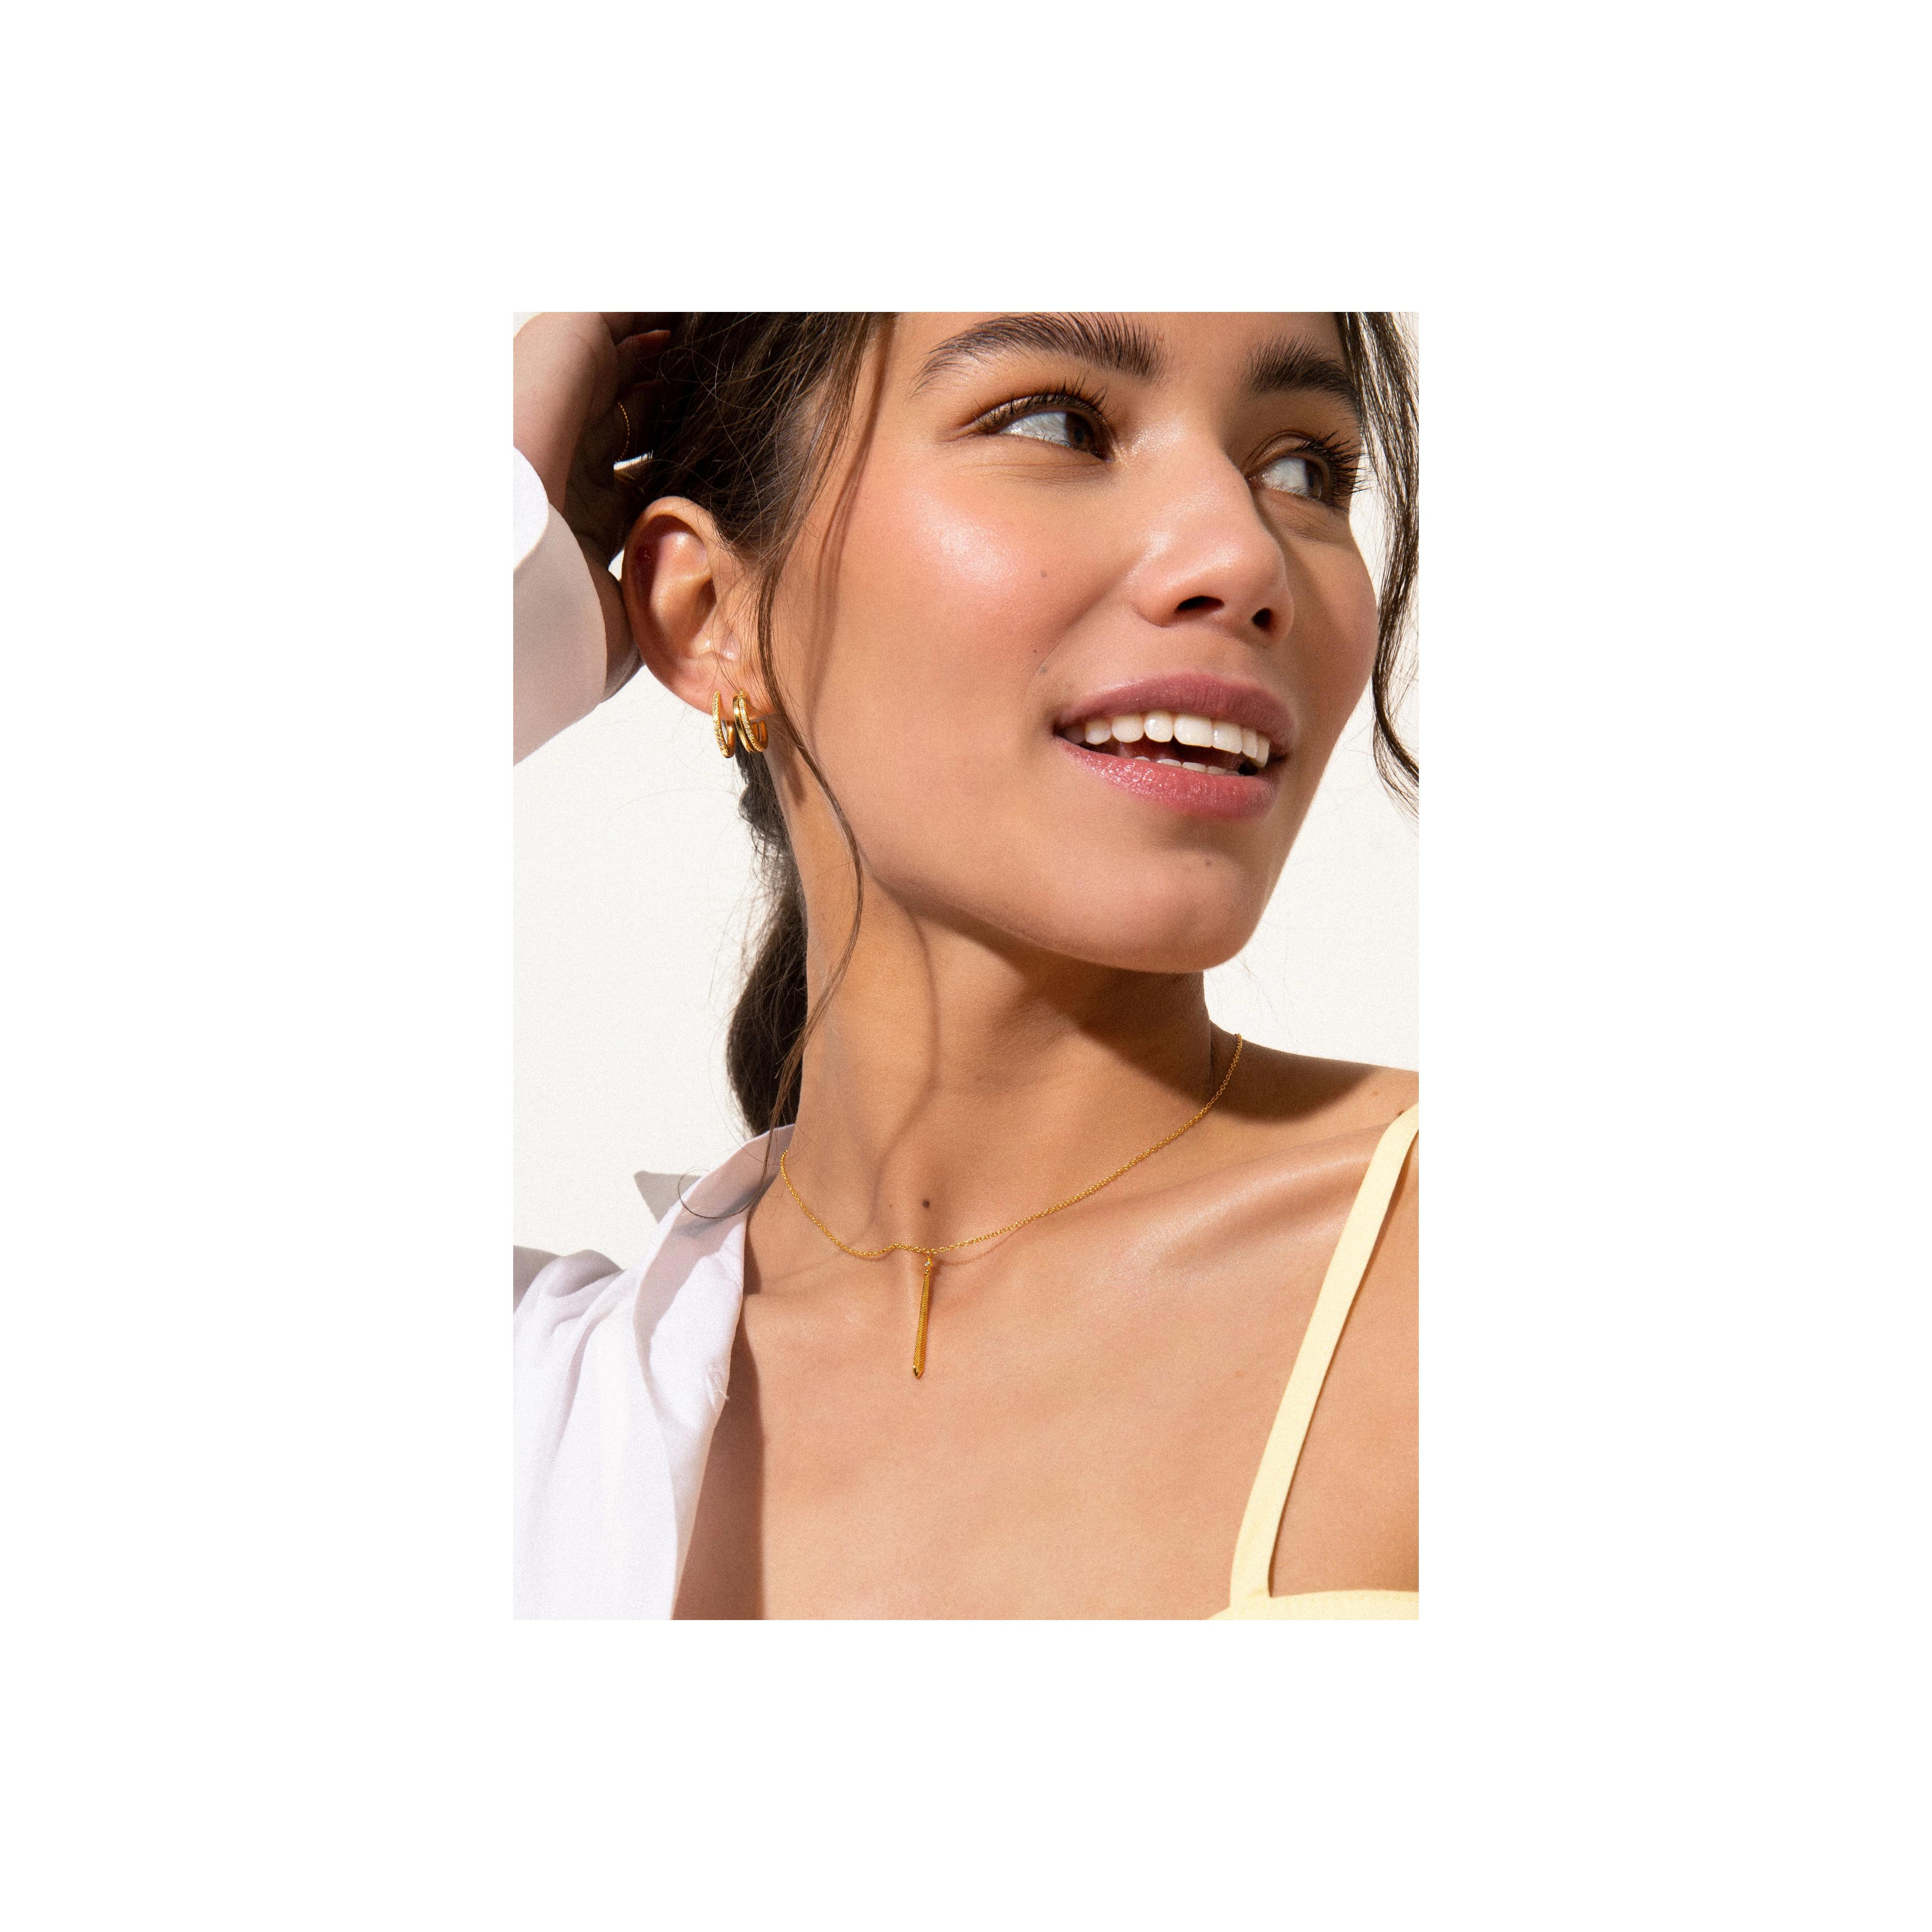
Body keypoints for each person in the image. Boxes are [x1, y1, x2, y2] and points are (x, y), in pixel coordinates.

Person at [512, 312, 1419, 1620]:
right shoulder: (542, 1413)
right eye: (1059, 425)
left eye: (1303, 470)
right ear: (711, 614)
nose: (1244, 555)